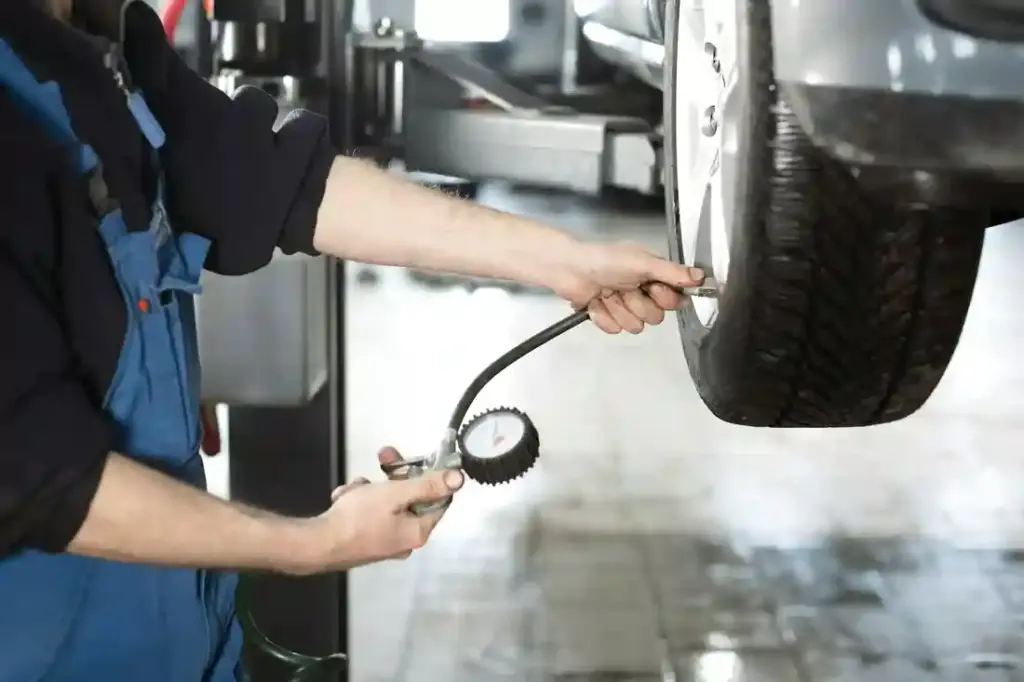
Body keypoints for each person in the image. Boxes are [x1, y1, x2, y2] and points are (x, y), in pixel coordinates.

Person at [0, 1, 704, 680]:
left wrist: (563, 260)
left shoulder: (106, 51)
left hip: (177, 643)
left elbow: (283, 182)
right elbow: (34, 477)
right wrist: (311, 544)